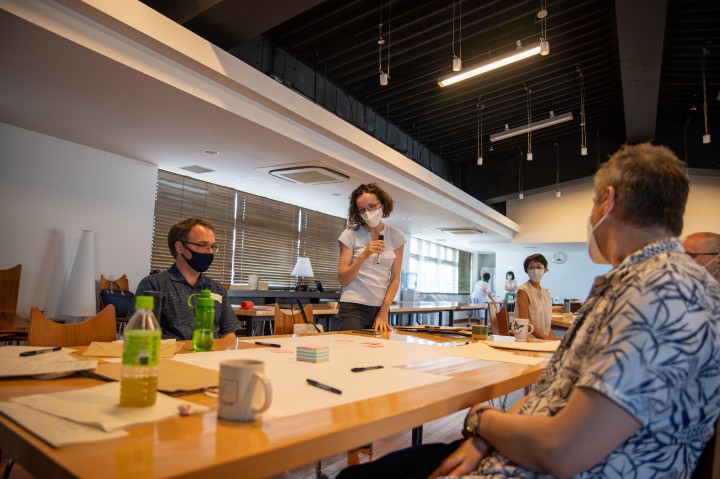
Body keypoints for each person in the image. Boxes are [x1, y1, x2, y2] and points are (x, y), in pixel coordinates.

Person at [338, 143, 720, 479]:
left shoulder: (661, 291)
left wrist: (481, 421)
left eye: (590, 205)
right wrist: (487, 439)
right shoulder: (645, 283)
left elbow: (562, 450)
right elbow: (554, 390)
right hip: (516, 452)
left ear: (608, 202)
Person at [129, 218, 239, 340]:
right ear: (180, 247)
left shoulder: (217, 289)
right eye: (202, 245)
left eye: (213, 246)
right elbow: (139, 334)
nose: (210, 252)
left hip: (211, 356)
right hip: (170, 356)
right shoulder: (154, 285)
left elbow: (229, 333)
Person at [337, 183, 405, 332]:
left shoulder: (396, 236)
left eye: (372, 206)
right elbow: (343, 279)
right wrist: (364, 255)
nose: (367, 213)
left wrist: (384, 310)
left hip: (381, 309)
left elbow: (395, 278)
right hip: (353, 308)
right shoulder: (350, 235)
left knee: (378, 353)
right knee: (352, 353)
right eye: (362, 210)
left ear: (382, 204)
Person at [515, 254, 556, 340]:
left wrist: (553, 340)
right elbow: (525, 322)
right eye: (531, 267)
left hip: (544, 340)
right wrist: (547, 339)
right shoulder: (523, 291)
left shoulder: (546, 293)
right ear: (526, 270)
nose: (535, 270)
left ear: (545, 269)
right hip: (529, 339)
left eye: (539, 267)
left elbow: (547, 324)